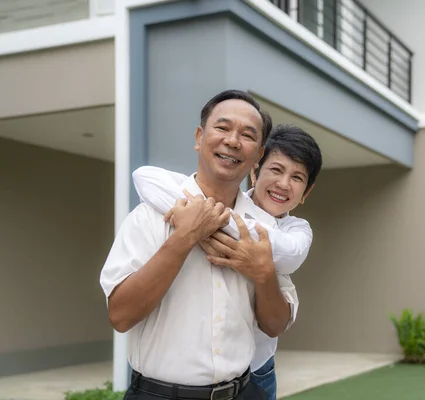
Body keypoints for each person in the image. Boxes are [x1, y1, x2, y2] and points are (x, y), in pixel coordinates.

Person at [100, 90, 299, 400]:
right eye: (222, 128)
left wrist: (263, 273)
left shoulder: (264, 230)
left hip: (244, 392)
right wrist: (184, 238)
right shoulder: (151, 216)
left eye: (247, 135)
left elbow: (275, 326)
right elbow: (120, 316)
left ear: (258, 156)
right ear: (199, 136)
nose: (233, 141)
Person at [132, 124, 323, 400]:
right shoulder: (225, 201)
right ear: (255, 170)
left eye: (297, 177)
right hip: (194, 375)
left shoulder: (297, 230)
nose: (283, 184)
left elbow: (290, 254)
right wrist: (211, 219)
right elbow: (143, 177)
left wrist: (208, 221)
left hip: (257, 371)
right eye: (276, 170)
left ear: (306, 192)